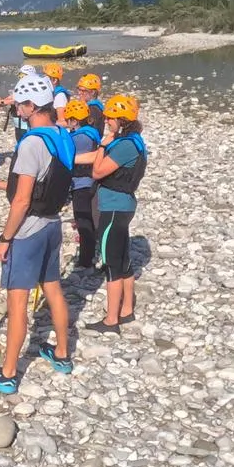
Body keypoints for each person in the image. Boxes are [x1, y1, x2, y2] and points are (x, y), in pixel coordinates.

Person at [0, 73, 75, 394]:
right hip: (53, 224)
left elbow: (22, 200)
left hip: (28, 231)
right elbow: (45, 181)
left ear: (32, 106)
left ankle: (8, 374)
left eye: (20, 104)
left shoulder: (31, 143)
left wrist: (5, 240)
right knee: (53, 289)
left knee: (17, 303)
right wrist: (0, 183)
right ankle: (62, 354)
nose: (16, 109)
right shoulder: (63, 135)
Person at [81, 95, 148, 333]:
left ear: (122, 119)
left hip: (113, 208)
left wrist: (101, 145)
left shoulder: (125, 145)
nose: (107, 121)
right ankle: (126, 310)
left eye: (110, 117)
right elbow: (104, 158)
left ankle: (111, 320)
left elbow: (98, 171)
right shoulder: (131, 141)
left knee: (111, 264)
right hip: (123, 206)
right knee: (123, 259)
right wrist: (68, 159)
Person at [63, 99, 101, 271]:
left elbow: (65, 155)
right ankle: (92, 252)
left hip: (80, 184)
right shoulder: (92, 132)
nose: (67, 123)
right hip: (92, 181)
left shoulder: (77, 138)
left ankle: (86, 259)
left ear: (74, 121)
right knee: (90, 218)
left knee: (83, 221)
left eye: (68, 120)